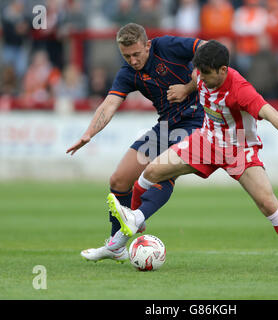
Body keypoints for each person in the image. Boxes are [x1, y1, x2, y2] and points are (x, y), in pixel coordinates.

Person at [107, 40, 278, 272]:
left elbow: (269, 112)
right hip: (205, 141)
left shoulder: (241, 90)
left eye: (206, 75)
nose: (202, 79)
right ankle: (136, 219)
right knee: (152, 171)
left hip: (238, 150)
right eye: (200, 73)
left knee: (268, 203)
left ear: (223, 70)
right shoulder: (201, 74)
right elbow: (196, 79)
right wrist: (187, 87)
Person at [66, 23, 206, 262]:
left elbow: (207, 48)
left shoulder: (167, 46)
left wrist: (189, 87)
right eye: (126, 55)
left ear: (148, 45)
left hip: (197, 122)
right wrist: (89, 133)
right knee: (119, 180)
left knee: (161, 172)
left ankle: (136, 219)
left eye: (136, 54)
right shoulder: (128, 73)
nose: (132, 60)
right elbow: (110, 104)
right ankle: (116, 247)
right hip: (166, 127)